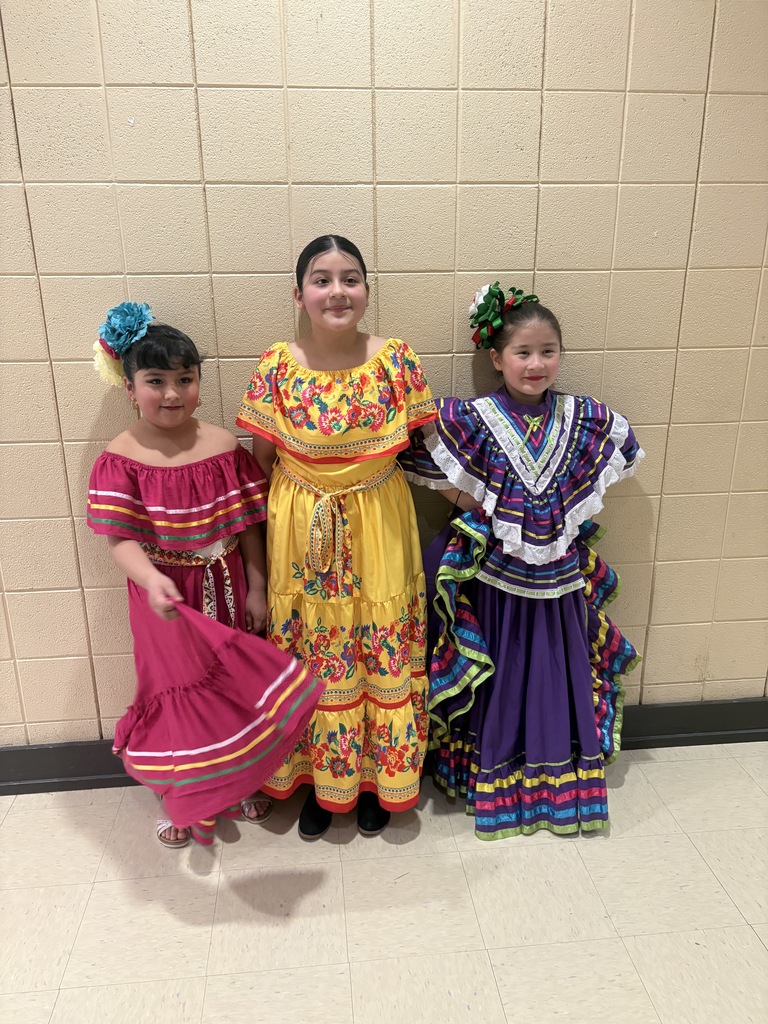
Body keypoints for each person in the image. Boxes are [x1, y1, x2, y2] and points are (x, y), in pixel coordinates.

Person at [400, 283, 643, 839]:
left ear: (561, 354)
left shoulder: (581, 418)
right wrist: (474, 499)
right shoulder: (476, 418)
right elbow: (420, 440)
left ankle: (555, 774)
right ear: (496, 358)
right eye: (523, 353)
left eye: (548, 351)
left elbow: (622, 444)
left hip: (558, 579)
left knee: (558, 663)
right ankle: (497, 771)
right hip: (494, 577)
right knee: (501, 667)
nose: (536, 364)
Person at [87, 302, 322, 847]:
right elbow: (118, 539)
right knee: (176, 690)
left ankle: (234, 779)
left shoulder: (222, 446)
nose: (172, 394)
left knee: (232, 687)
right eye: (156, 381)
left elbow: (250, 526)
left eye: (184, 379)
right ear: (129, 387)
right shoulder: (120, 459)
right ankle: (180, 797)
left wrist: (258, 585)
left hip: (227, 585)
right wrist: (151, 580)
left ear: (199, 381)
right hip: (165, 601)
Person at [236, 235, 437, 840]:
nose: (337, 291)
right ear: (298, 295)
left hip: (380, 526)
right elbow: (261, 467)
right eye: (321, 280)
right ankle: (324, 788)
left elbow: (431, 452)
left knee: (380, 650)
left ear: (367, 291)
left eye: (351, 278)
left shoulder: (396, 361)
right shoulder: (276, 366)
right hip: (301, 536)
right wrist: (258, 573)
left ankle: (379, 780)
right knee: (318, 657)